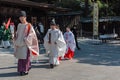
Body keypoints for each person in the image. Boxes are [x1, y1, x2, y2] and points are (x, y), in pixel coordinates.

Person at [14, 11, 39, 76]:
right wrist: (15, 37)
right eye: (20, 17)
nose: (21, 19)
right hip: (19, 43)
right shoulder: (19, 25)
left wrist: (27, 39)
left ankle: (25, 69)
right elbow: (17, 33)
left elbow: (32, 34)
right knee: (20, 57)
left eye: (22, 17)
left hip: (25, 44)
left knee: (25, 58)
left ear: (25, 17)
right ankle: (20, 70)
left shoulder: (29, 25)